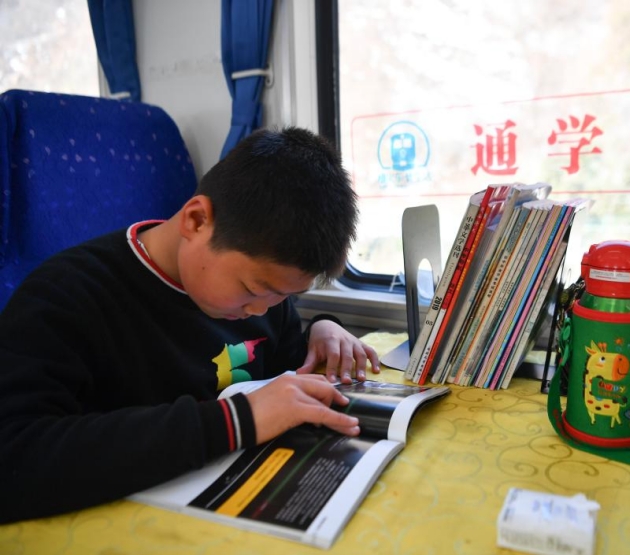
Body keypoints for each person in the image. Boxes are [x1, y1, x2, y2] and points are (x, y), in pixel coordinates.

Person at [0, 126, 381, 523]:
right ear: (197, 221)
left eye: (285, 296)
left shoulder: (261, 299)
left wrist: (320, 330)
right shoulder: (66, 296)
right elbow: (14, 457)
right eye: (253, 289)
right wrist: (235, 421)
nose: (261, 310)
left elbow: (281, 374)